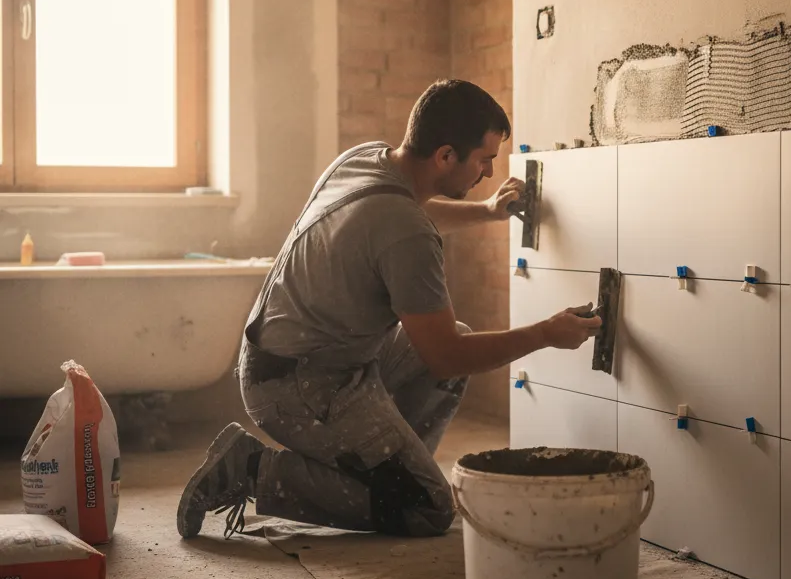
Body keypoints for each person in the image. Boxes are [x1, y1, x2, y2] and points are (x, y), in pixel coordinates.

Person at [177, 79, 601, 540]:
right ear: (444, 156)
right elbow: (447, 355)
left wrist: (487, 212)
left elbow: (409, 213)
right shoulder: (407, 233)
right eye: (484, 160)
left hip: (284, 359)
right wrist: (545, 334)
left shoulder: (367, 160)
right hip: (299, 387)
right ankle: (251, 469)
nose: (489, 173)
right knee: (429, 509)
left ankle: (388, 475)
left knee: (448, 338)